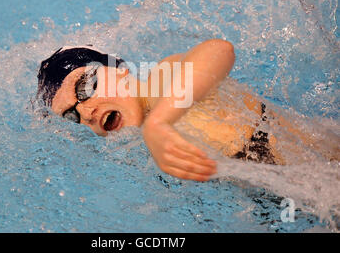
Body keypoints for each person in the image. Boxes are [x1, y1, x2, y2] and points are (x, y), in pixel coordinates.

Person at [37, 40, 334, 182]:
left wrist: (159, 123)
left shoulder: (162, 81)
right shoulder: (147, 139)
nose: (86, 112)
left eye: (84, 87)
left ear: (119, 69)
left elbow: (218, 51)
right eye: (71, 115)